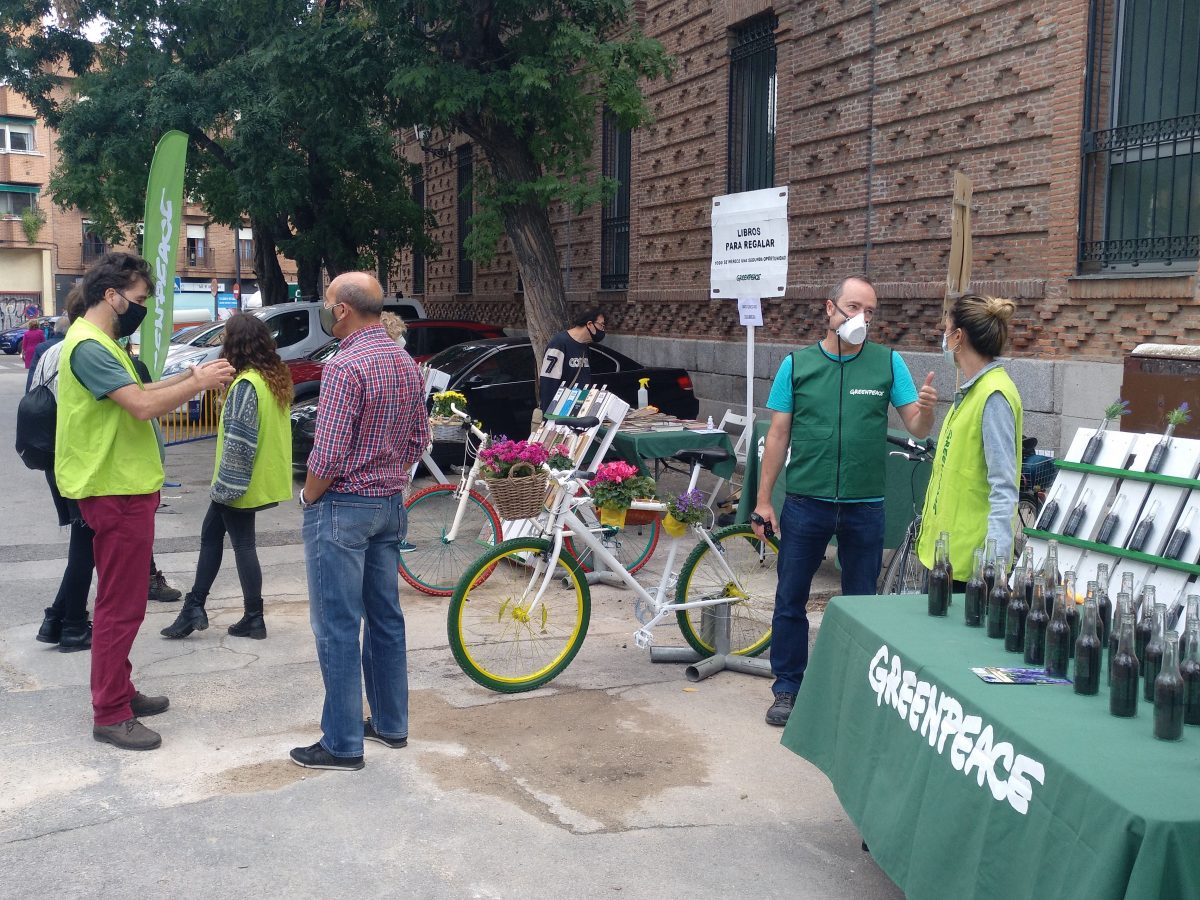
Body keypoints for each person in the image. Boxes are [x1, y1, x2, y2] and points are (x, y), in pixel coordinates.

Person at [56, 251, 234, 751]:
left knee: (124, 600)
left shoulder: (100, 342)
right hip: (114, 491)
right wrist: (195, 384)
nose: (142, 309)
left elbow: (139, 388)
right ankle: (110, 712)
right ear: (111, 295)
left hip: (123, 488)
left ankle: (120, 690)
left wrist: (190, 376)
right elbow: (139, 405)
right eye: (138, 300)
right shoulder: (90, 346)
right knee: (120, 606)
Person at [751, 275, 937, 727]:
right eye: (854, 307)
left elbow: (917, 427)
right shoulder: (796, 366)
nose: (862, 318)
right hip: (806, 501)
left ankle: (854, 688)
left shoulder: (888, 364)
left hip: (865, 504)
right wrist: (763, 501)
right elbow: (777, 435)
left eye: (870, 311)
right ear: (828, 308)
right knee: (791, 597)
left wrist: (927, 405)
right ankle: (788, 689)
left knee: (860, 603)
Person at [291, 272, 429, 771]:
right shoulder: (404, 362)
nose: (327, 312)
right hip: (389, 504)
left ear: (343, 310)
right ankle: (391, 724)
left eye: (328, 303)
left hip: (344, 507)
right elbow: (420, 440)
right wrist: (390, 474)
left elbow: (325, 456)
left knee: (337, 625)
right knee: (386, 618)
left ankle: (342, 742)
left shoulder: (346, 365)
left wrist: (309, 497)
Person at [161, 313, 294, 641]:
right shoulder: (270, 379)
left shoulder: (247, 385)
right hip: (256, 479)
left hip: (237, 483)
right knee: (218, 537)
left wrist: (224, 487)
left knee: (238, 543)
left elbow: (239, 442)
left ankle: (236, 613)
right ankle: (210, 609)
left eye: (224, 339)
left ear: (234, 344)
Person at [916, 295, 1023, 581]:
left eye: (946, 328)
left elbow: (1004, 486)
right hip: (948, 558)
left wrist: (993, 570)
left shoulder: (993, 395)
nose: (943, 336)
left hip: (971, 569)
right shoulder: (972, 391)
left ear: (958, 337)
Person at [537, 307, 606, 413]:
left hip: (577, 411)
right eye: (601, 325)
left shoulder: (585, 347)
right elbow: (548, 382)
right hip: (559, 413)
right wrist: (549, 417)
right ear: (589, 324)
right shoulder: (559, 343)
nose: (602, 330)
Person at [26, 315, 67, 392]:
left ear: (55, 329)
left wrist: (29, 394)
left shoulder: (42, 347)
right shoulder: (76, 345)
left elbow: (33, 373)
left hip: (47, 392)